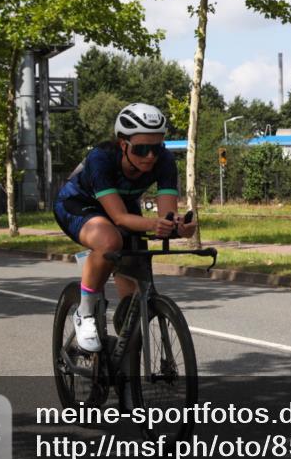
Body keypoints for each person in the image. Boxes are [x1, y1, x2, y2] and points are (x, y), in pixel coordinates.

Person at [53, 103, 197, 352]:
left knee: (132, 302)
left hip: (124, 206)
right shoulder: (101, 158)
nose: (150, 156)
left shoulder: (164, 161)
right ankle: (84, 313)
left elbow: (166, 216)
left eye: (156, 148)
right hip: (78, 204)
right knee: (109, 241)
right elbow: (119, 218)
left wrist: (178, 227)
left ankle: (122, 366)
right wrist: (155, 223)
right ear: (123, 144)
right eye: (141, 149)